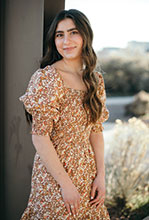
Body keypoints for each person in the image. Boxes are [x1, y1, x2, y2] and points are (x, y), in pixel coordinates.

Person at [19, 9, 110, 220]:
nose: (66, 41)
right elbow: (40, 137)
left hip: (87, 173)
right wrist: (66, 185)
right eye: (60, 35)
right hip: (56, 177)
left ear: (85, 36)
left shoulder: (95, 80)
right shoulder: (47, 78)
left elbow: (96, 132)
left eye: (73, 32)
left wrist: (101, 176)